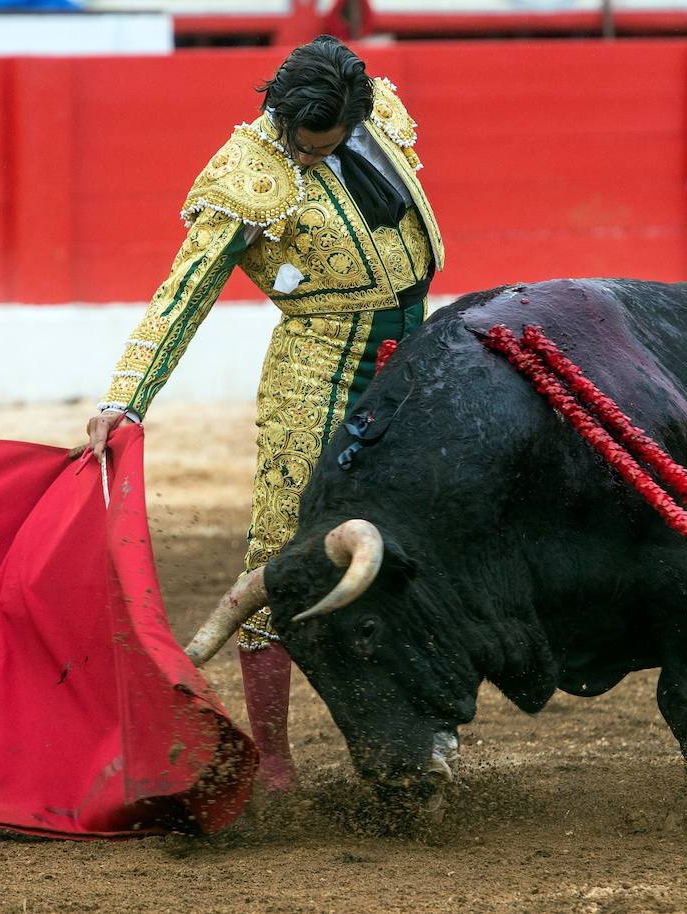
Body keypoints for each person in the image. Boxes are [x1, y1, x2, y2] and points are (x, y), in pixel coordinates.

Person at [81, 35, 443, 794]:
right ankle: (274, 757)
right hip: (319, 369)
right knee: (280, 553)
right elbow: (185, 292)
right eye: (303, 146)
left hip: (417, 355)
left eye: (328, 145)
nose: (310, 159)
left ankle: (427, 726)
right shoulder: (247, 177)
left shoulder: (377, 118)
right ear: (278, 115)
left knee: (432, 532)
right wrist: (126, 397)